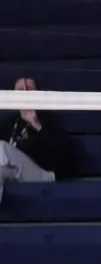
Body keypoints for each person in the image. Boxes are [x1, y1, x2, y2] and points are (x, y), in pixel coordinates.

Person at [0, 77, 73, 205]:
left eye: (29, 89)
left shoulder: (47, 119)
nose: (25, 94)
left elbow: (63, 154)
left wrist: (37, 125)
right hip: (16, 172)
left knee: (1, 147)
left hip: (45, 173)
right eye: (20, 90)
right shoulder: (10, 122)